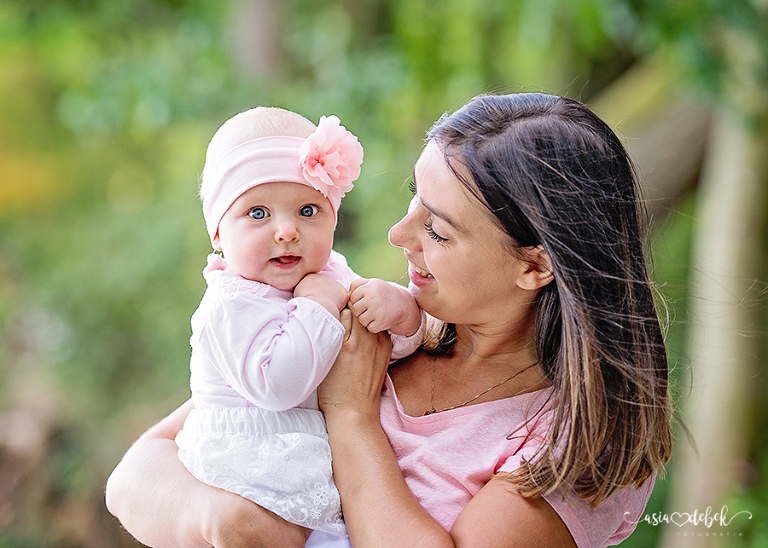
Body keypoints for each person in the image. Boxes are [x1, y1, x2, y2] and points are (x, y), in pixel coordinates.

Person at [106, 93, 673, 548]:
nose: (397, 236)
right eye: (413, 201)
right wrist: (225, 521)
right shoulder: (386, 324)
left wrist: (351, 416)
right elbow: (134, 477)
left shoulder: (580, 442)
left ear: (533, 267)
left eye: (438, 229)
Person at [174, 107, 424, 540]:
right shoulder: (228, 305)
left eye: (309, 210)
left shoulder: (331, 273)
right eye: (257, 214)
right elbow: (277, 385)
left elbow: (384, 349)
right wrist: (316, 306)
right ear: (217, 232)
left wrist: (401, 313)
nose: (287, 231)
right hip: (253, 470)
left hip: (316, 461)